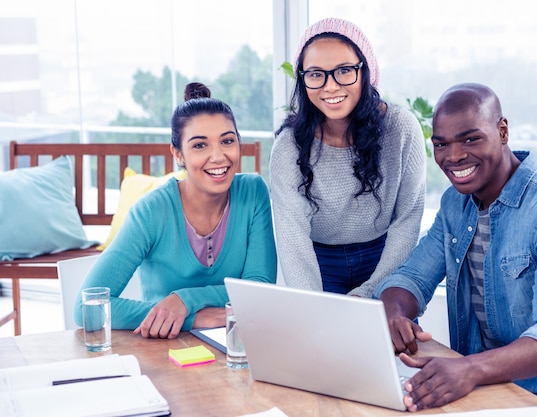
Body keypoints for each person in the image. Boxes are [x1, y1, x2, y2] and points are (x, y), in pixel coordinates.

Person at [373, 82, 537, 416]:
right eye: (441, 144)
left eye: (470, 139)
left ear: (502, 131)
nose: (454, 156)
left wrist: (469, 369)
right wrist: (394, 313)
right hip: (484, 394)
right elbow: (413, 276)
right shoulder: (456, 204)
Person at [74, 82, 277, 339]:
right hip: (163, 350)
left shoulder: (253, 192)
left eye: (227, 141)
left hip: (234, 346)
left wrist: (185, 299)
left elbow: (259, 289)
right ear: (178, 154)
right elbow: (85, 308)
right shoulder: (150, 212)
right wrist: (192, 319)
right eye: (200, 145)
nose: (218, 157)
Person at [270, 17, 427, 297]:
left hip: (385, 257)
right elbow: (293, 241)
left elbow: (407, 220)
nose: (330, 86)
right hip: (319, 263)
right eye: (316, 74)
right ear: (303, 79)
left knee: (393, 340)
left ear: (365, 71)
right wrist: (314, 306)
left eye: (344, 70)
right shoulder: (288, 147)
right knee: (319, 338)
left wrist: (370, 292)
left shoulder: (401, 128)